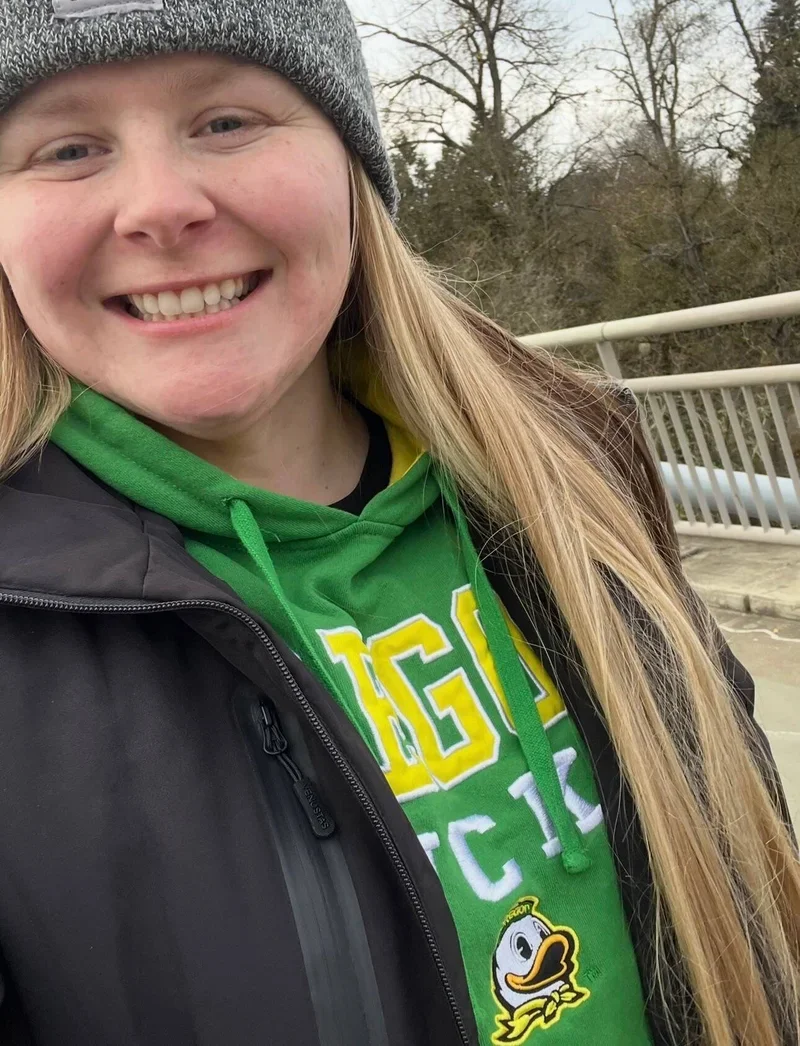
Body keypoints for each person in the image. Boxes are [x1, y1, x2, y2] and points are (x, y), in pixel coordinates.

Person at [0, 1, 795, 1044]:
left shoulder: (572, 473)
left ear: (350, 163)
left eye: (227, 121)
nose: (159, 204)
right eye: (68, 146)